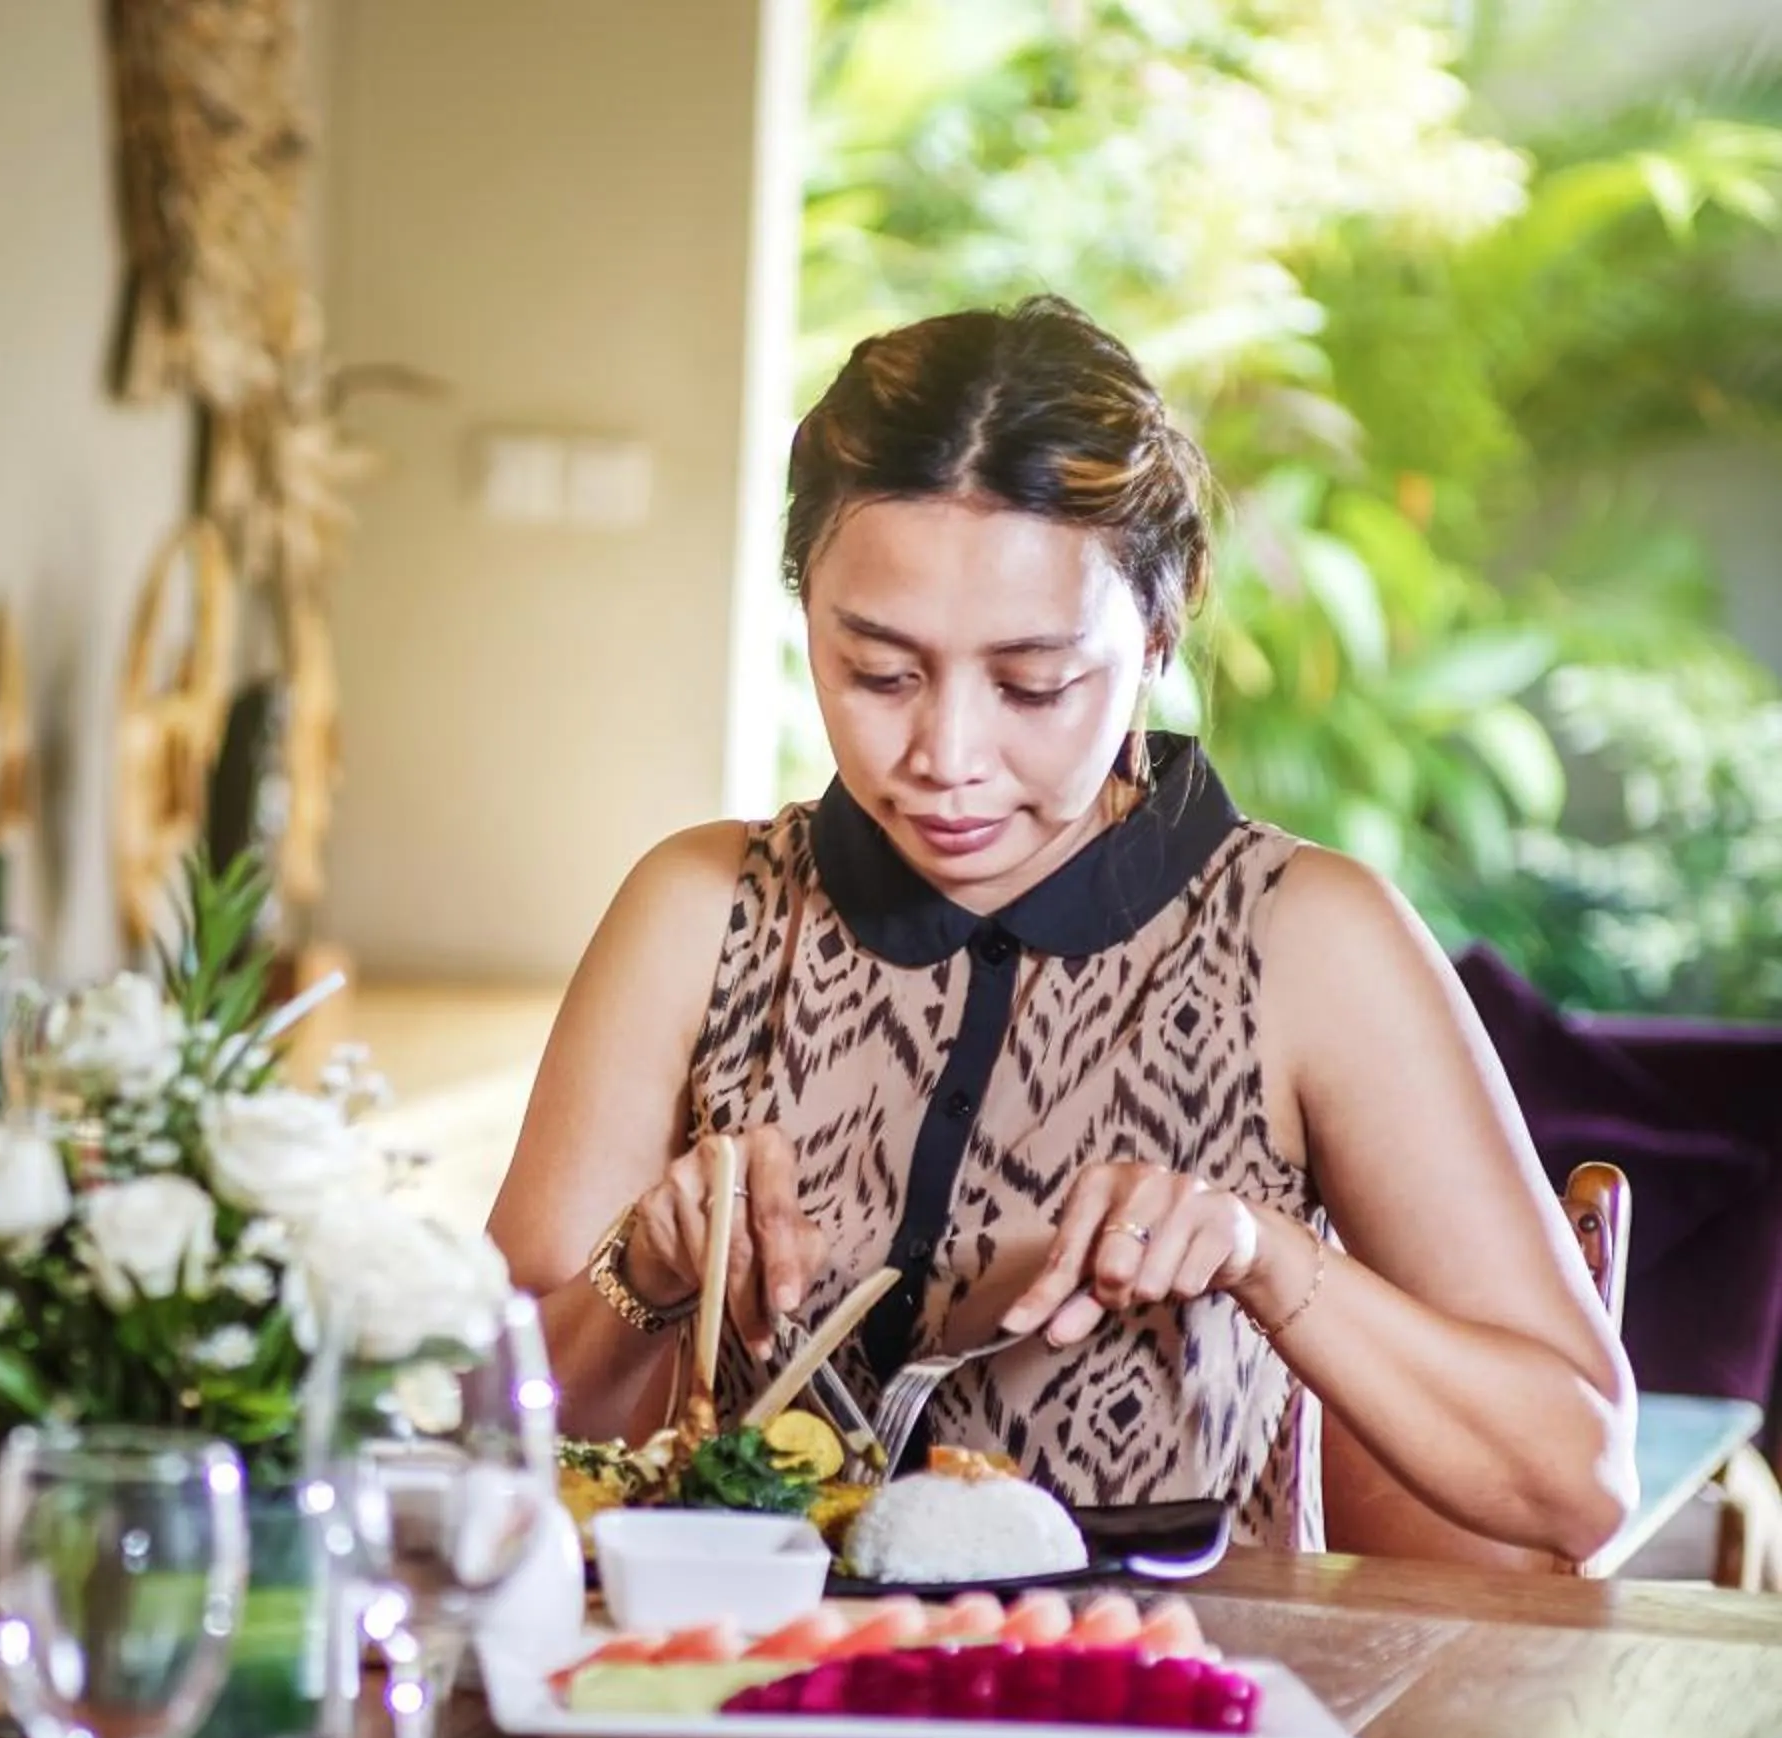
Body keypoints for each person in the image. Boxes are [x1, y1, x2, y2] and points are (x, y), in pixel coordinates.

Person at [488, 296, 1634, 1564]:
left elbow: (1576, 1476)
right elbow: (476, 1444)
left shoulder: (1306, 941)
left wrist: (1264, 1259)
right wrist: (643, 1275)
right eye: (878, 672)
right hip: (740, 1692)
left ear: (1154, 633)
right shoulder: (702, 910)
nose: (947, 758)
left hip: (1154, 1716)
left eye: (1033, 684)